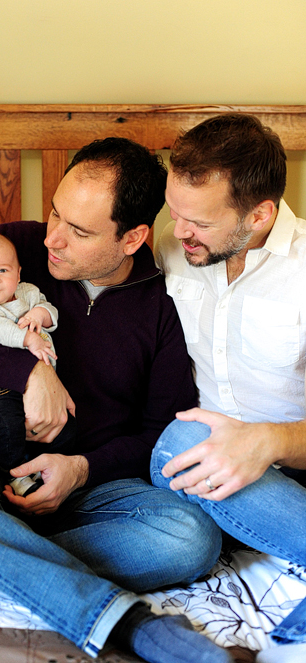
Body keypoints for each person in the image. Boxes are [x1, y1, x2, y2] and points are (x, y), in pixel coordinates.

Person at [0, 137, 232, 663]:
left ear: (132, 238)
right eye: (55, 213)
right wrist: (28, 369)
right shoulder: (15, 252)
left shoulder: (163, 306)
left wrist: (80, 468)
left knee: (191, 538)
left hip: (91, 486)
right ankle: (129, 624)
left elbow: (158, 434)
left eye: (78, 231)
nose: (53, 238)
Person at [149, 113, 306, 663]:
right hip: (205, 470)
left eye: (200, 222)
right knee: (174, 443)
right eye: (175, 211)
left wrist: (269, 441)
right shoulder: (171, 250)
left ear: (259, 213)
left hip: (295, 471)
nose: (179, 230)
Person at [0, 229, 75, 496]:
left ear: (18, 273)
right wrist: (28, 339)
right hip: (3, 387)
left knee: (66, 429)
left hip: (49, 385)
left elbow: (51, 313)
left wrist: (39, 313)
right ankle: (15, 474)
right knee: (9, 428)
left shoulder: (28, 292)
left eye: (2, 270)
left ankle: (47, 469)